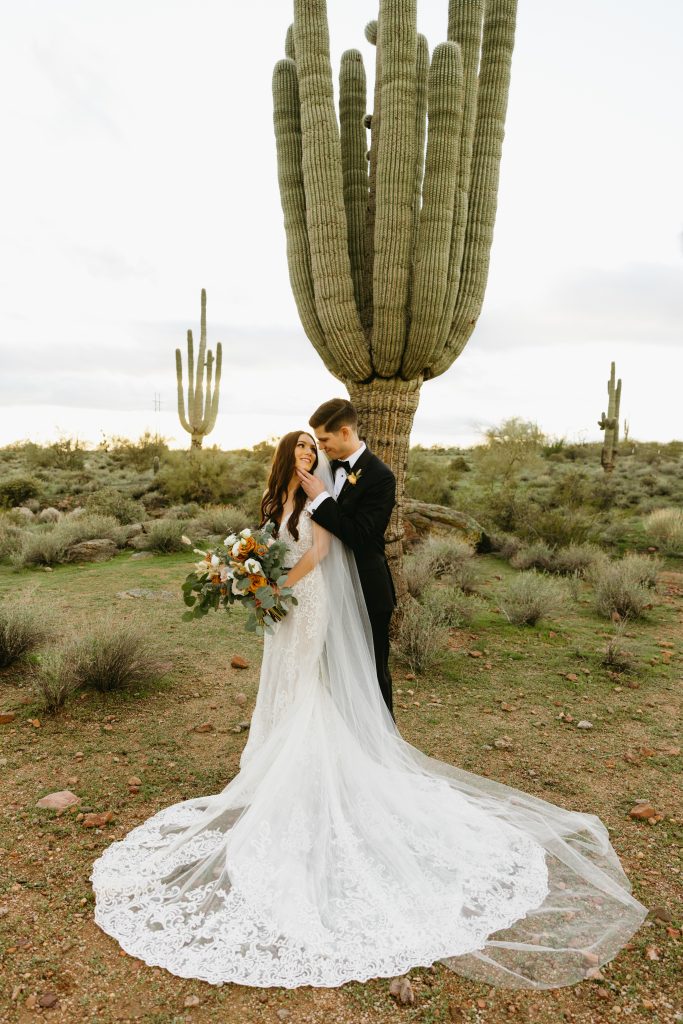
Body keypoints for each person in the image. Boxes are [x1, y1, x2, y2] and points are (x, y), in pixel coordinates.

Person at [89, 429, 648, 991]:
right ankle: (271, 764)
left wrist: (278, 583)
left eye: (315, 449)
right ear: (286, 456)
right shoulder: (276, 499)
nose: (309, 457)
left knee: (308, 683)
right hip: (278, 606)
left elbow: (323, 550)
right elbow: (268, 542)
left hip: (305, 601)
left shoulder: (317, 494)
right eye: (301, 450)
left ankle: (308, 770)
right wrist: (247, 575)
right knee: (281, 679)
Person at [300, 398, 397, 721]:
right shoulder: (324, 470)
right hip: (330, 591)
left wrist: (323, 500)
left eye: (324, 440)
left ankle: (382, 746)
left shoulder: (381, 476)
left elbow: (362, 535)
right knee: (332, 672)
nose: (321, 448)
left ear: (344, 432)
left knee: (372, 672)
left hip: (368, 592)